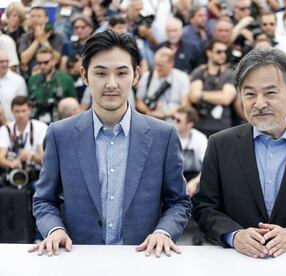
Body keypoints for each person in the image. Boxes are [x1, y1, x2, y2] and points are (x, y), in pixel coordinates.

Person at [29, 30, 192, 257]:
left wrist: (163, 232)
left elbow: (179, 202)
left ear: (136, 76)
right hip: (78, 259)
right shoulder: (60, 134)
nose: (111, 84)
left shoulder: (163, 136)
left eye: (121, 73)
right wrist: (55, 230)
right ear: (84, 75)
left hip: (142, 259)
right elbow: (45, 200)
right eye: (101, 73)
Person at [193, 48, 286, 258]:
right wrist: (234, 235)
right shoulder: (220, 145)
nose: (259, 103)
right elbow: (205, 208)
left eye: (270, 93)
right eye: (249, 94)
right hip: (238, 263)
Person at [0, 96, 47, 176]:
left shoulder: (41, 127)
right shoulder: (5, 129)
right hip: (12, 172)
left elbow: (44, 158)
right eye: (17, 111)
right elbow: (1, 158)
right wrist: (11, 163)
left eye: (24, 111)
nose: (21, 115)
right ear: (12, 111)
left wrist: (31, 156)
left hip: (36, 173)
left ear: (30, 110)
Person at [0, 49, 27, 122]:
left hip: (12, 124)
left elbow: (22, 103)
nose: (5, 64)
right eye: (1, 62)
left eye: (7, 61)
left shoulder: (18, 80)